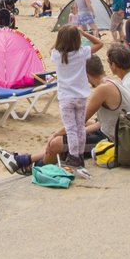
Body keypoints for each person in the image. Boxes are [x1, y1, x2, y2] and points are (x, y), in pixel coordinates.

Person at [0, 55, 126, 175]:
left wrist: (56, 134)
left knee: (56, 143)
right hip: (112, 132)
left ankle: (30, 166)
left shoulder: (102, 89)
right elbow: (97, 123)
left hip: (110, 140)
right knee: (69, 135)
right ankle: (23, 161)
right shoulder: (111, 82)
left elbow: (79, 121)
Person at [50, 25, 104, 172]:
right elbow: (100, 43)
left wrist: (59, 40)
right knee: (80, 127)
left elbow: (51, 49)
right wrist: (84, 33)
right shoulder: (82, 53)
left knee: (71, 129)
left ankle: (73, 157)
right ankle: (79, 155)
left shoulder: (57, 55)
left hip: (66, 98)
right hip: (81, 96)